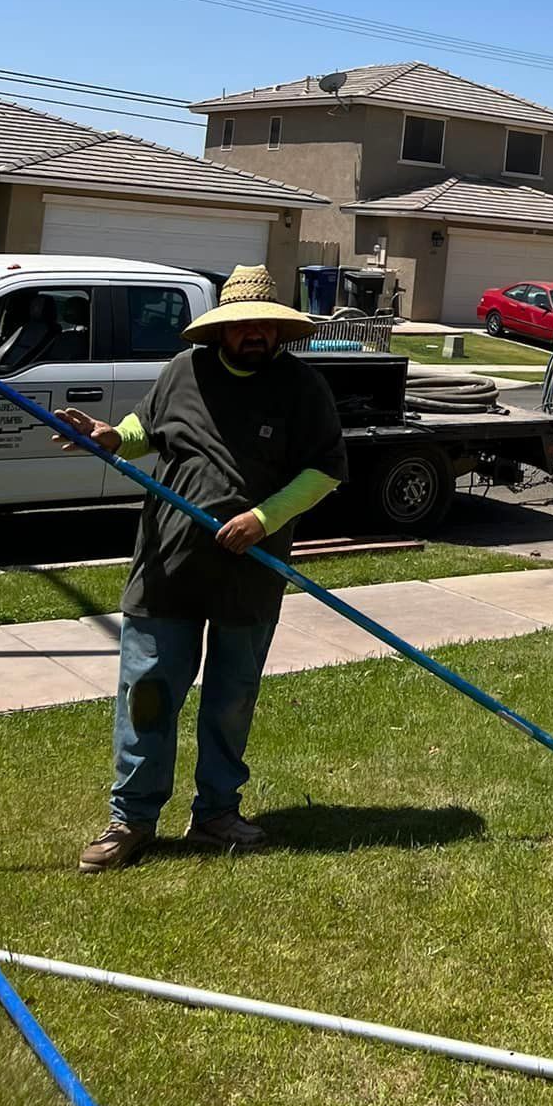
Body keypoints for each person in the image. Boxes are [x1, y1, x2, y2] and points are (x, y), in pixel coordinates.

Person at [54, 266, 346, 874]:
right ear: (222, 330)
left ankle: (216, 812)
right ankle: (130, 820)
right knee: (149, 697)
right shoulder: (183, 372)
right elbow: (146, 429)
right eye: (244, 325)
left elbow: (325, 471)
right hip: (167, 567)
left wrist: (262, 520)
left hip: (250, 574)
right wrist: (114, 437)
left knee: (230, 700)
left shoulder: (301, 387)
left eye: (267, 324)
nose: (256, 334)